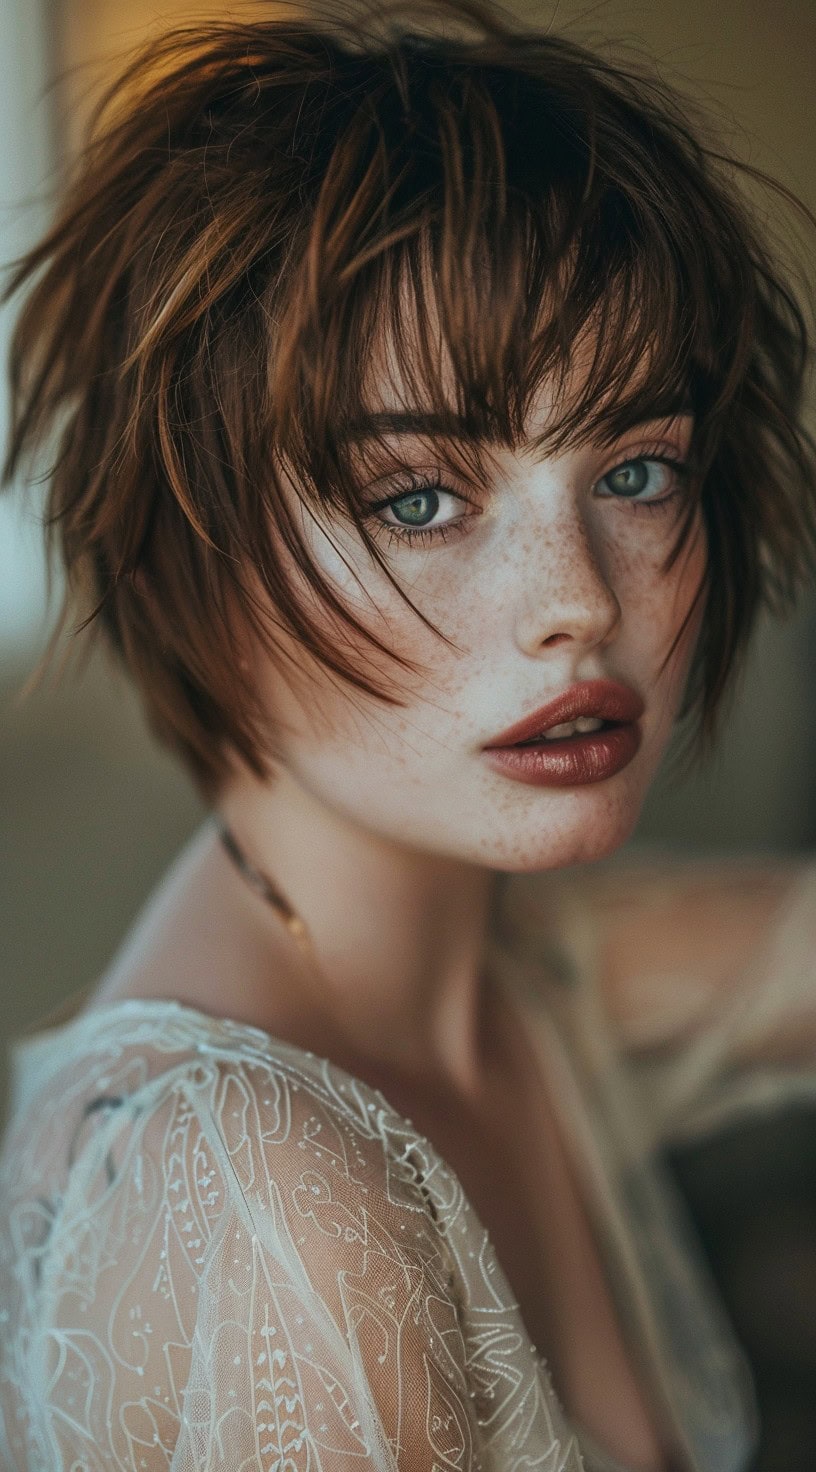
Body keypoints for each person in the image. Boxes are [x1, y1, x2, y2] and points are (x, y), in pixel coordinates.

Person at [0, 1, 814, 1467]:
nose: (577, 604)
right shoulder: (269, 1211)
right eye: (419, 500)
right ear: (184, 547)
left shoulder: (528, 973)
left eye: (635, 468)